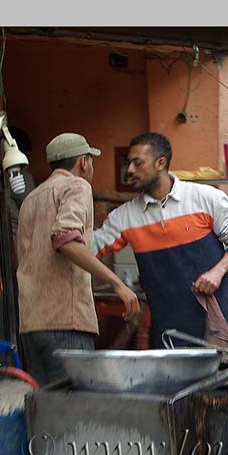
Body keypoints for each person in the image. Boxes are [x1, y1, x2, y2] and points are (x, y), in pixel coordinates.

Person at [92, 132, 228, 346]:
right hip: (166, 331)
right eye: (128, 163)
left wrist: (218, 271)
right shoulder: (125, 217)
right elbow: (89, 249)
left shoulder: (205, 198)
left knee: (221, 379)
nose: (130, 170)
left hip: (214, 324)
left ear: (161, 163)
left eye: (137, 163)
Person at [16, 133, 140, 385]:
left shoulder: (31, 198)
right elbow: (65, 239)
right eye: (91, 161)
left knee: (48, 411)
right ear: (83, 162)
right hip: (66, 323)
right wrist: (118, 284)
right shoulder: (76, 186)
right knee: (75, 410)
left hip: (31, 324)